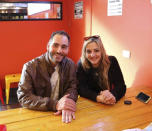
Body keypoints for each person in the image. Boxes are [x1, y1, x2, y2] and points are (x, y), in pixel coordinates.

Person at [17, 31, 78, 123]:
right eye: (55, 45)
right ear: (48, 46)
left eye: (64, 47)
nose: (59, 50)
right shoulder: (30, 67)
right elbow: (24, 97)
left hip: (61, 116)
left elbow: (72, 88)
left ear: (68, 49)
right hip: (36, 116)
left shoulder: (71, 65)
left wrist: (67, 103)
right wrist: (55, 104)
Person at [77, 35, 126, 105]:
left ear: (101, 51)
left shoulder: (112, 61)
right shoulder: (81, 64)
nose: (92, 55)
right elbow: (81, 89)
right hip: (91, 103)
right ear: (84, 53)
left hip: (109, 102)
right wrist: (98, 98)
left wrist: (113, 96)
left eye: (96, 50)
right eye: (88, 51)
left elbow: (121, 86)